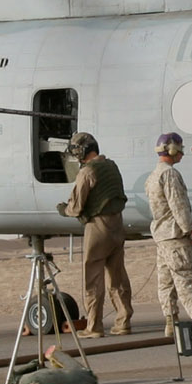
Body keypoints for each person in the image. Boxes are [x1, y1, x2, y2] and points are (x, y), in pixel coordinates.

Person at [56, 132, 133, 336]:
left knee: (93, 278)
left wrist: (63, 209)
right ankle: (123, 321)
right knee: (117, 276)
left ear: (82, 151)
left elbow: (76, 207)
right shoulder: (111, 167)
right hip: (117, 225)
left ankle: (94, 326)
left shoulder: (87, 172)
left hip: (98, 227)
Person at [145, 132, 192, 337]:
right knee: (185, 277)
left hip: (162, 237)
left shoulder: (153, 175)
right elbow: (178, 205)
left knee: (166, 281)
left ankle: (170, 321)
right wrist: (190, 228)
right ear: (172, 149)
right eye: (180, 149)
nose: (182, 154)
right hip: (174, 236)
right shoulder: (169, 175)